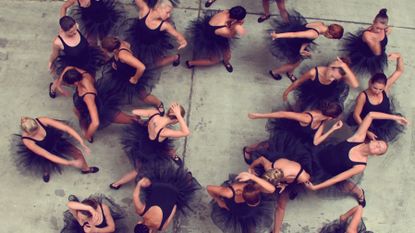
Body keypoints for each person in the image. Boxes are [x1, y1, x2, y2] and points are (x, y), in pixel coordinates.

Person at [305, 112, 408, 206]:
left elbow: (337, 178)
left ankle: (360, 195)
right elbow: (371, 115)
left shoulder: (360, 165)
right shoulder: (358, 138)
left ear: (375, 155)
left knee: (347, 187)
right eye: (379, 144)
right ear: (373, 141)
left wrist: (317, 187)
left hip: (330, 172)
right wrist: (395, 117)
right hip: (321, 154)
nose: (378, 147)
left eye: (379, 150)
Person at [109, 102, 190, 189]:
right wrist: (179, 116)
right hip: (150, 151)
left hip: (144, 141)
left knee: (166, 147)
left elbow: (134, 111)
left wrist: (143, 120)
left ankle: (172, 155)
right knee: (139, 169)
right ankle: (117, 183)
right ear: (177, 120)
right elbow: (186, 132)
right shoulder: (164, 132)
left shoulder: (154, 113)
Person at [61, 66, 137, 143]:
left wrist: (88, 135)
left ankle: (144, 121)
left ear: (75, 83)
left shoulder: (88, 97)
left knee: (130, 120)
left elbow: (95, 122)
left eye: (69, 84)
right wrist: (58, 83)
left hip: (100, 109)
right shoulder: (84, 74)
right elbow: (69, 67)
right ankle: (84, 125)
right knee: (78, 112)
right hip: (90, 101)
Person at [13, 117, 98, 183]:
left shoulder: (43, 120)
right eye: (34, 134)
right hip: (44, 150)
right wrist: (70, 163)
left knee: (78, 153)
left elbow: (66, 128)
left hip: (57, 143)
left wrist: (81, 141)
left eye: (38, 129)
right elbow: (47, 155)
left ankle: (85, 169)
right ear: (27, 133)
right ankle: (45, 172)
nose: (38, 133)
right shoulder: (27, 141)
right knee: (45, 163)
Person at [269, 12, 344, 82]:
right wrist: (277, 35)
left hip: (299, 41)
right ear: (330, 35)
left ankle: (290, 73)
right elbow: (294, 34)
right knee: (294, 64)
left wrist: (302, 49)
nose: (330, 38)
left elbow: (306, 37)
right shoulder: (314, 34)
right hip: (294, 43)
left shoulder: (320, 24)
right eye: (332, 38)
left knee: (297, 61)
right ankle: (274, 72)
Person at [347, 53, 405, 142]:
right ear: (370, 83)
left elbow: (399, 71)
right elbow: (356, 115)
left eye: (380, 89)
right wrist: (366, 130)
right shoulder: (363, 96)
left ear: (385, 86)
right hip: (368, 123)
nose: (377, 91)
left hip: (384, 121)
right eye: (375, 88)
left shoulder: (385, 88)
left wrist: (399, 57)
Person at [133, 162, 199, 233]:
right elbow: (135, 195)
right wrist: (139, 184)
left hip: (174, 191)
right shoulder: (140, 210)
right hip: (159, 185)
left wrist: (174, 201)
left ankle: (188, 179)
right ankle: (182, 175)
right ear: (138, 223)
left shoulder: (161, 226)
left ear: (150, 231)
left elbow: (173, 210)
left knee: (183, 188)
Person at [246, 101, 344, 148]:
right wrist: (259, 115)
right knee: (270, 144)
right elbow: (283, 114)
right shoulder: (307, 118)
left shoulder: (323, 120)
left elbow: (316, 142)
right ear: (331, 117)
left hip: (298, 139)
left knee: (272, 146)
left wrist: (333, 129)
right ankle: (249, 149)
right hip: (289, 134)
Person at [48, 16, 104, 98]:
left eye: (75, 29)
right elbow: (55, 54)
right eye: (71, 32)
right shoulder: (58, 42)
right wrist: (50, 62)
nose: (74, 32)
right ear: (63, 31)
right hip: (73, 65)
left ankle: (89, 89)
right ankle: (53, 87)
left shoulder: (76, 27)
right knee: (65, 81)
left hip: (88, 59)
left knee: (90, 77)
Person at [101, 36, 163, 107]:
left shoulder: (123, 55)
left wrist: (135, 78)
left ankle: (159, 104)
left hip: (130, 75)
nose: (104, 52)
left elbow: (142, 67)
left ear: (114, 50)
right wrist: (116, 61)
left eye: (105, 50)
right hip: (122, 72)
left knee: (143, 96)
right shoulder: (118, 42)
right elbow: (128, 46)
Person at [123, 0, 187, 67]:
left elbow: (176, 34)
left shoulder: (164, 25)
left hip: (151, 45)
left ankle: (175, 57)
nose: (169, 15)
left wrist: (183, 41)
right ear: (158, 8)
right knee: (133, 53)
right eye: (167, 12)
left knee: (157, 62)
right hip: (138, 39)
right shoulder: (145, 10)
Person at [207, 172, 275, 233]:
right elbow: (209, 188)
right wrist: (218, 200)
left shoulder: (254, 188)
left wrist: (252, 176)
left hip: (250, 214)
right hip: (235, 211)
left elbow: (272, 189)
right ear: (241, 194)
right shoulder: (228, 193)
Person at [282, 57, 359, 111]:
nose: (332, 79)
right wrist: (286, 92)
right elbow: (299, 81)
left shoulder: (339, 75)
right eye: (332, 76)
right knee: (301, 106)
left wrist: (344, 66)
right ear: (330, 67)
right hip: (312, 93)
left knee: (319, 111)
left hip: (328, 96)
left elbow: (355, 85)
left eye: (335, 79)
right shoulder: (314, 72)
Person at [186, 6, 246, 73]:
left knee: (228, 55)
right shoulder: (223, 30)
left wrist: (234, 24)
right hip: (210, 40)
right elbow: (231, 35)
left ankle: (226, 62)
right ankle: (190, 63)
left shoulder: (226, 11)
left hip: (214, 32)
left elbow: (227, 25)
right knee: (214, 60)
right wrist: (237, 25)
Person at [343, 9, 390, 75]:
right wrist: (376, 39)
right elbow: (377, 52)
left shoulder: (385, 29)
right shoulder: (367, 35)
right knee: (351, 63)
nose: (379, 31)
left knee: (375, 70)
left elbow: (388, 31)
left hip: (376, 55)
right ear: (373, 22)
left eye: (381, 29)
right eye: (377, 28)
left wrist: (386, 32)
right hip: (365, 54)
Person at [60, 0, 125, 45]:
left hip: (103, 19)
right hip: (88, 21)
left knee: (105, 39)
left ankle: (105, 53)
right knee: (91, 41)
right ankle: (95, 53)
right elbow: (63, 7)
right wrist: (62, 23)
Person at [61, 194, 127, 233]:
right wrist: (89, 208)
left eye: (84, 220)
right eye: (79, 217)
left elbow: (112, 228)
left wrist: (95, 230)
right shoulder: (79, 212)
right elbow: (69, 204)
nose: (80, 221)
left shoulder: (103, 208)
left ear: (92, 216)